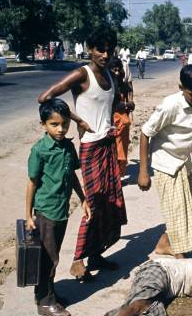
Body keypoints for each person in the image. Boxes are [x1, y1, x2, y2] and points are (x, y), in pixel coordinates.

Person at [38, 25, 127, 281]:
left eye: (109, 50)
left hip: (108, 144)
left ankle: (97, 254)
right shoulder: (82, 74)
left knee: (111, 202)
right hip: (91, 148)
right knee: (94, 202)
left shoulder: (111, 75)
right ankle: (78, 259)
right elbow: (45, 97)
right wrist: (76, 119)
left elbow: (106, 104)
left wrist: (123, 105)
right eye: (100, 49)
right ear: (90, 49)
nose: (105, 54)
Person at [25, 99, 92, 316]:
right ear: (43, 124)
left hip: (61, 210)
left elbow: (71, 175)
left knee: (52, 255)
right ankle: (45, 302)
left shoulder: (67, 147)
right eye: (54, 124)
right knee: (49, 257)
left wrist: (83, 199)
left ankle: (47, 293)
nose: (61, 129)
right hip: (46, 211)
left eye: (64, 124)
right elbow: (32, 182)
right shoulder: (40, 150)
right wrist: (28, 216)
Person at [137, 66, 192, 258]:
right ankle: (179, 252)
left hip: (182, 161)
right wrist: (143, 172)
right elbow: (145, 133)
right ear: (181, 87)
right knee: (176, 209)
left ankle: (164, 244)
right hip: (165, 162)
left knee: (187, 203)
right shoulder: (170, 105)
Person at [108, 57, 135, 179]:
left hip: (123, 123)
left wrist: (129, 105)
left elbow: (129, 92)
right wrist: (126, 104)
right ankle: (114, 176)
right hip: (112, 122)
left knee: (122, 148)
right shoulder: (107, 86)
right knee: (115, 150)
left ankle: (119, 174)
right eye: (114, 70)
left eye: (119, 70)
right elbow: (113, 104)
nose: (117, 73)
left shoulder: (122, 84)